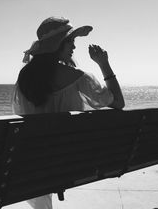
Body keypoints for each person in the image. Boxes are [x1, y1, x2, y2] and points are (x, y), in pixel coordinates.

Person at [12, 16, 125, 209]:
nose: (73, 47)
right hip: (67, 162)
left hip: (30, 163)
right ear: (57, 45)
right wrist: (103, 63)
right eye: (70, 41)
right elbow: (118, 103)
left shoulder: (24, 78)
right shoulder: (77, 77)